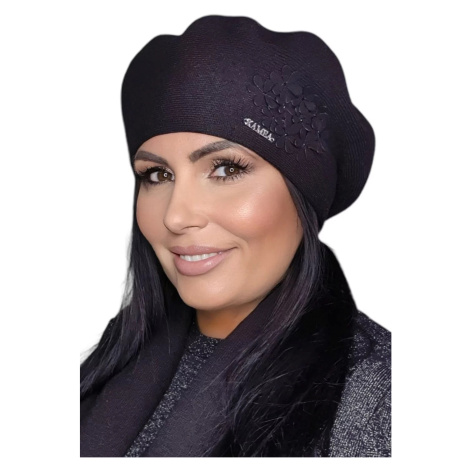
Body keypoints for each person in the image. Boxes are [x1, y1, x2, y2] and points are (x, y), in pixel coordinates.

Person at [80, 15, 391, 457]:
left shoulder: (378, 400)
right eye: (157, 175)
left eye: (226, 169)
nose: (176, 216)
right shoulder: (116, 354)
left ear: (304, 196)